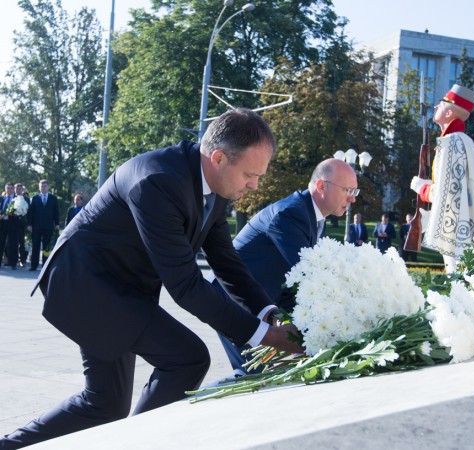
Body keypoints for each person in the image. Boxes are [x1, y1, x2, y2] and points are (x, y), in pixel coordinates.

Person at [0, 108, 303, 449]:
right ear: (219, 158)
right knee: (186, 358)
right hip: (84, 284)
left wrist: (269, 314)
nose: (255, 185)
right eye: (250, 174)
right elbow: (185, 285)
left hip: (120, 289)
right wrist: (264, 337)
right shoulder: (158, 180)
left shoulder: (215, 189)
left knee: (104, 404)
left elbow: (228, 264)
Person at [209, 158, 358, 375]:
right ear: (321, 186)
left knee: (262, 378)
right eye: (347, 190)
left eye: (355, 191)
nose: (352, 198)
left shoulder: (314, 217)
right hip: (235, 300)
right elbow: (308, 275)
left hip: (260, 303)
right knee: (253, 378)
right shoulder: (291, 214)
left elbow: (292, 279)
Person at [410, 84, 474, 273]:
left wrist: (421, 188)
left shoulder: (450, 144)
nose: (435, 107)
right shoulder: (464, 142)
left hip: (455, 230)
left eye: (441, 104)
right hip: (464, 226)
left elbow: (445, 192)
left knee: (455, 277)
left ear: (449, 113)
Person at [26, 180, 59, 271]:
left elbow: (56, 212)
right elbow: (31, 212)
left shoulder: (53, 198)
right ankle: (33, 265)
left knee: (46, 247)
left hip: (48, 226)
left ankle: (45, 266)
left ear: (48, 187)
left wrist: (57, 224)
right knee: (35, 245)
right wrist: (29, 224)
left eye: (45, 186)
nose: (43, 188)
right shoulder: (35, 198)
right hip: (36, 226)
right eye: (42, 186)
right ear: (39, 187)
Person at [0, 183, 21, 270]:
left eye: (11, 188)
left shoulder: (17, 199)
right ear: (5, 189)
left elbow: (20, 212)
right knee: (1, 243)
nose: (9, 190)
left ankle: (12, 263)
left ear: (13, 189)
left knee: (13, 243)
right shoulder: (1, 198)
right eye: (7, 188)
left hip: (12, 224)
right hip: (2, 224)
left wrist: (11, 214)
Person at [14, 183, 30, 267]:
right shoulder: (13, 198)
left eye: (19, 189)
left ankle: (22, 260)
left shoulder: (26, 199)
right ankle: (13, 259)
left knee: (22, 242)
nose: (18, 190)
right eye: (17, 189)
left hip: (23, 224)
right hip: (13, 223)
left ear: (22, 190)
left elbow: (29, 212)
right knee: (13, 242)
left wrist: (29, 224)